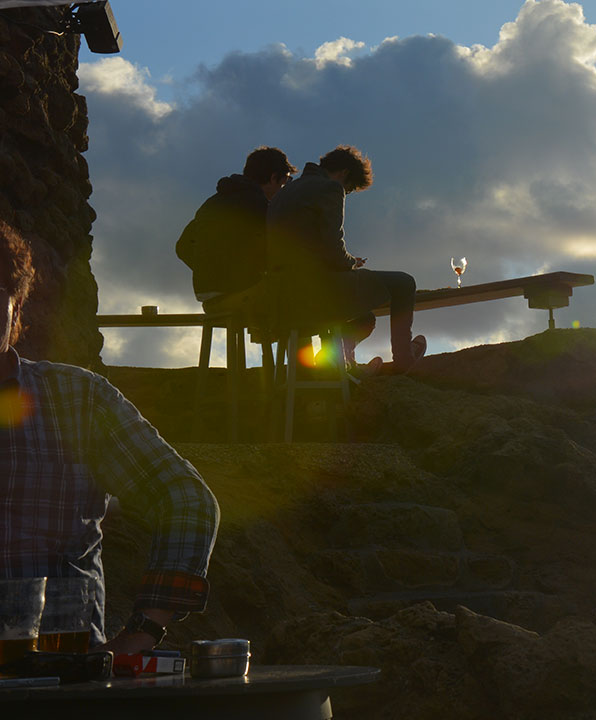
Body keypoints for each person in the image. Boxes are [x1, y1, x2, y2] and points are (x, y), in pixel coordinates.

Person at [0, 219, 220, 653]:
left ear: (17, 304)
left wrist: (144, 630)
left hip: (64, 679)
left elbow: (185, 500)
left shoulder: (76, 400)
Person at [266, 145, 425, 374]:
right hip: (318, 290)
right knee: (404, 283)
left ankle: (337, 362)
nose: (346, 193)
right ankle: (404, 360)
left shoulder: (285, 192)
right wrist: (351, 263)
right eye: (349, 189)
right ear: (344, 174)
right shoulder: (329, 188)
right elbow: (333, 248)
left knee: (364, 316)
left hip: (285, 295)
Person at [176, 146, 296, 300]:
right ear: (273, 178)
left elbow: (182, 247)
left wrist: (208, 272)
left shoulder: (214, 201)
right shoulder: (257, 204)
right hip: (237, 290)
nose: (283, 190)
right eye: (284, 183)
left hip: (205, 293)